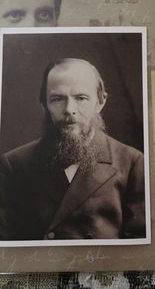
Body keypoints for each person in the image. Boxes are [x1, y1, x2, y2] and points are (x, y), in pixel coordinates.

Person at [2, 58, 146, 240]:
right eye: (57, 99)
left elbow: (138, 249)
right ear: (44, 105)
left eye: (81, 98)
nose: (69, 109)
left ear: (100, 102)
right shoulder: (14, 164)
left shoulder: (133, 163)